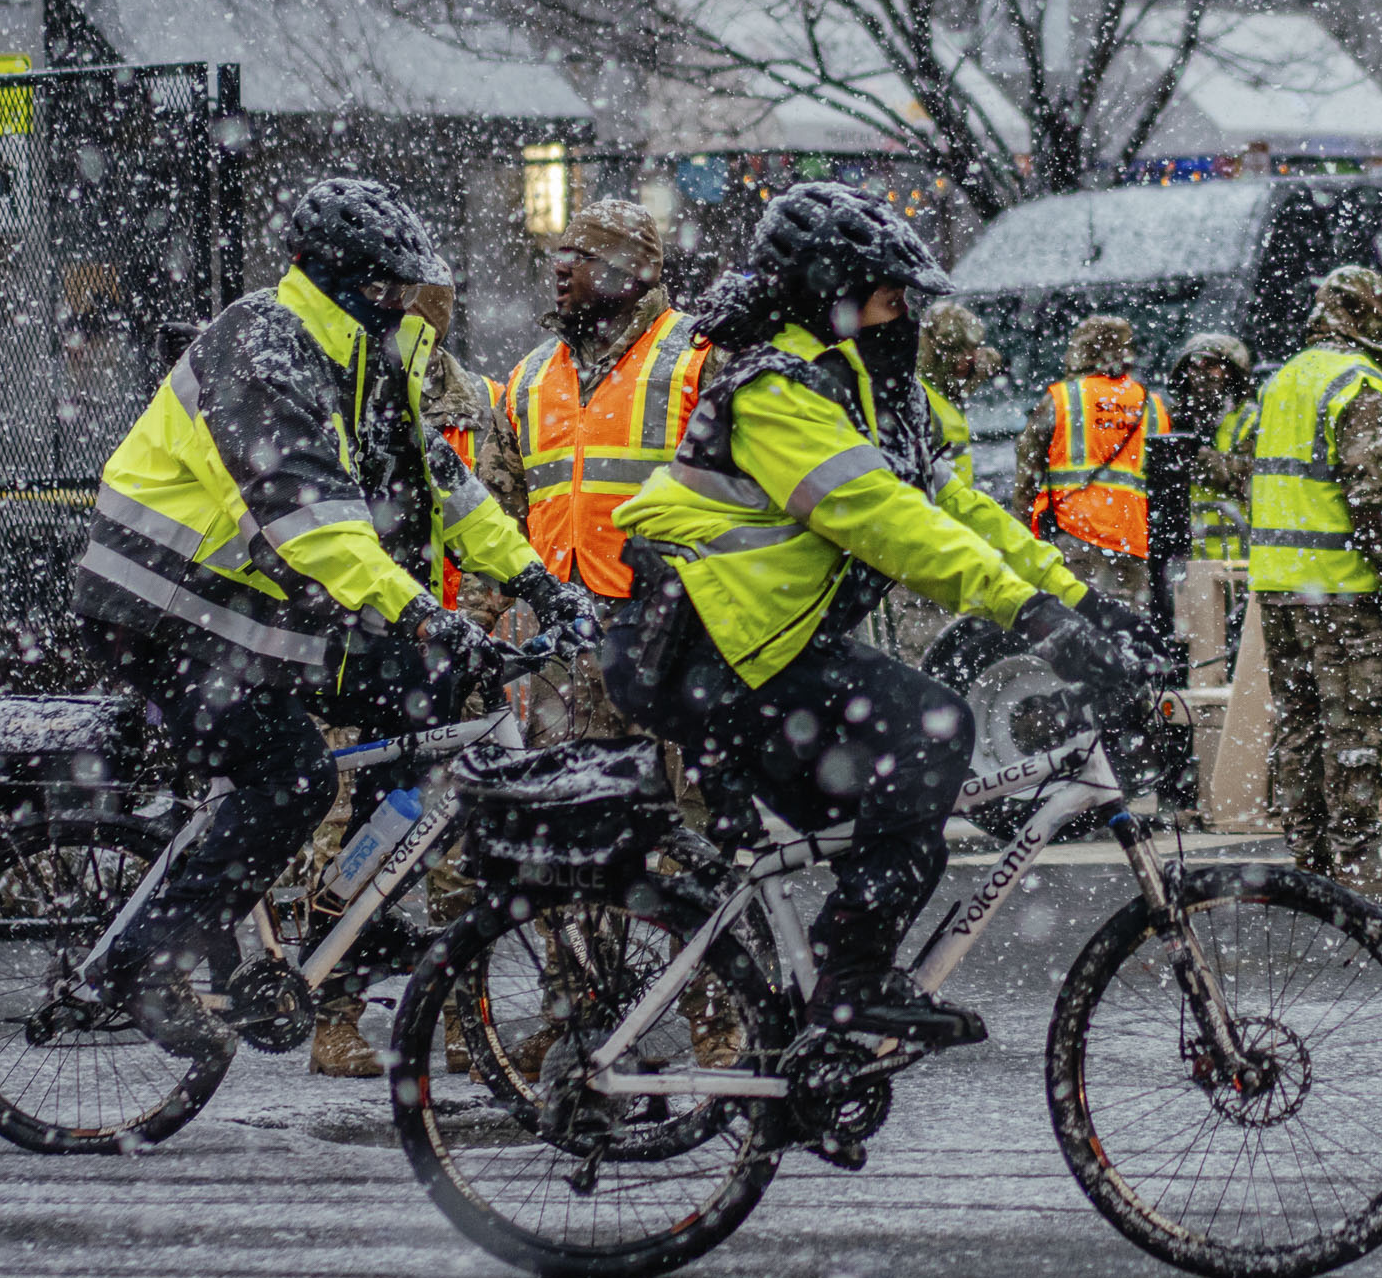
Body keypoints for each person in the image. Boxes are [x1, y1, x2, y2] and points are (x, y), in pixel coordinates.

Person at [613, 182, 1147, 1046]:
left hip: (752, 647)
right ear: (832, 283)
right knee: (932, 728)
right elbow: (883, 520)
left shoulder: (849, 385)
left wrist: (1081, 600)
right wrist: (1032, 616)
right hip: (702, 652)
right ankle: (849, 985)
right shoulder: (775, 391)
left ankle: (811, 1024)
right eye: (888, 290)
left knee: (901, 821)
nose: (903, 311)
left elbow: (957, 509)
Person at [73, 178, 588, 1057]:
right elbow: (314, 524)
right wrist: (424, 611)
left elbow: (449, 493)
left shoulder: (364, 362)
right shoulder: (264, 349)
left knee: (431, 706)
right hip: (158, 606)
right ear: (352, 283)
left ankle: (347, 915)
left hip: (248, 612)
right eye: (395, 287)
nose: (410, 305)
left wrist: (539, 580)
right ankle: (147, 960)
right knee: (293, 776)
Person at [1245, 265, 1382, 907]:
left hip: (1277, 584)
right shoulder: (1358, 385)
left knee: (1298, 724)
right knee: (1351, 728)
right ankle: (1358, 865)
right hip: (1336, 588)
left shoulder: (1284, 379)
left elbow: (1255, 472)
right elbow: (1371, 491)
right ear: (1371, 319)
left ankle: (1309, 859)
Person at [492, 200, 709, 739]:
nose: (560, 267)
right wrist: (467, 630)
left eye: (580, 255)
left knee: (680, 815)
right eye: (560, 254)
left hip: (672, 639)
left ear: (629, 273)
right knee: (567, 809)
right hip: (561, 648)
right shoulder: (530, 376)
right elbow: (496, 522)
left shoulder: (703, 356)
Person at [1013, 315, 1158, 623]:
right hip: (1133, 545)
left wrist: (1025, 533)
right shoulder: (1152, 403)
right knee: (1128, 627)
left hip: (1076, 540)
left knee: (1080, 629)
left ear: (1079, 352)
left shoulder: (1062, 398)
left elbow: (1028, 475)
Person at [1155, 330, 1258, 678]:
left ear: (1234, 372)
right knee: (1192, 659)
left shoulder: (1250, 420)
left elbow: (1248, 475)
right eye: (1195, 365)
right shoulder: (1171, 420)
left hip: (1239, 560)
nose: (1201, 374)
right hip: (1185, 564)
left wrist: (1195, 458)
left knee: (1238, 656)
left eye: (1212, 366)